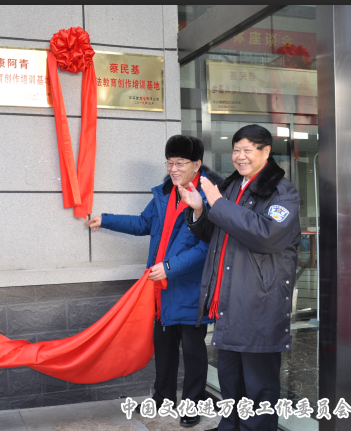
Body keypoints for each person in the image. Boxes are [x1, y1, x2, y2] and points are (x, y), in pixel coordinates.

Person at [87, 135, 221, 428]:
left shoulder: (208, 195)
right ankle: (162, 399)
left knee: (194, 351)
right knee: (164, 346)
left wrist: (170, 267)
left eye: (180, 163)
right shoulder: (165, 193)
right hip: (160, 288)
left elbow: (207, 247)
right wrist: (106, 219)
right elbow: (143, 223)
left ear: (197, 164)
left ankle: (192, 404)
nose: (173, 169)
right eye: (170, 162)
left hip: (189, 287)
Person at [180, 125, 300, 431]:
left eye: (248, 150)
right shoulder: (234, 187)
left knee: (259, 388)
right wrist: (198, 210)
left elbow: (266, 235)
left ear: (266, 152)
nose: (240, 156)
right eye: (236, 149)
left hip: (259, 302)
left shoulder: (282, 191)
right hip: (230, 300)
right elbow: (217, 234)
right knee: (231, 381)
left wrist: (217, 204)